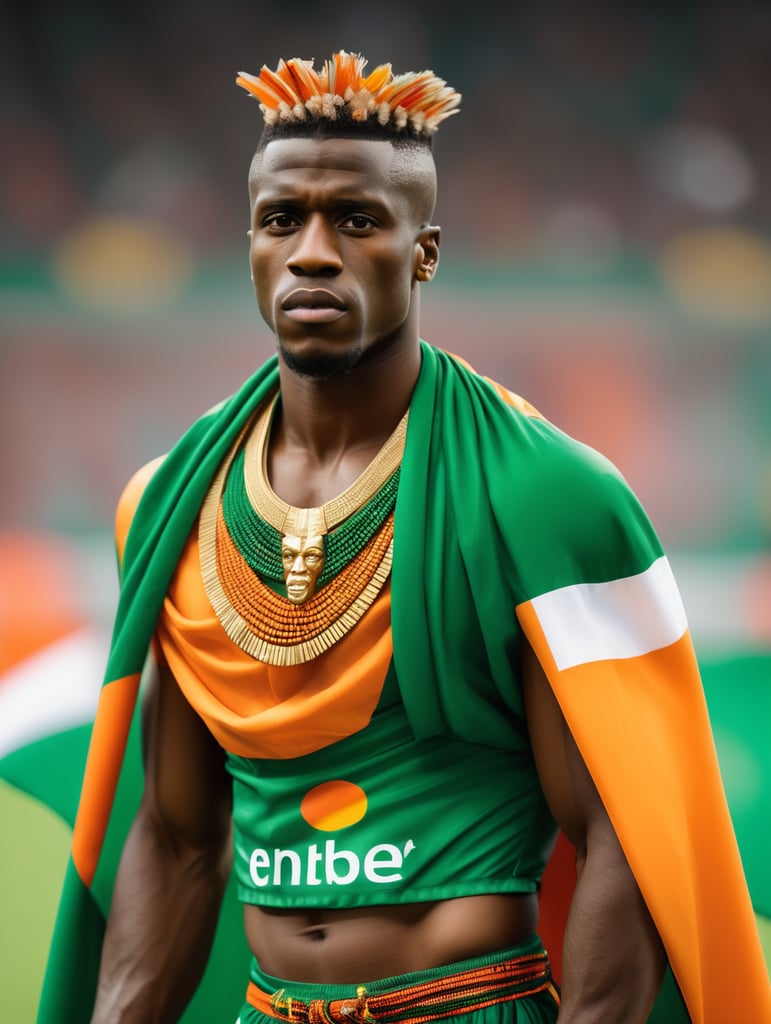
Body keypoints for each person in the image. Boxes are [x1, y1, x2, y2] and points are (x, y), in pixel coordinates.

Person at [39, 51, 770, 1024]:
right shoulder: (172, 500)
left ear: (422, 249)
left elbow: (627, 839)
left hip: (465, 1005)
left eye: (355, 221)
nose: (309, 252)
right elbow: (177, 838)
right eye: (279, 220)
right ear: (249, 243)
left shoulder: (544, 494)